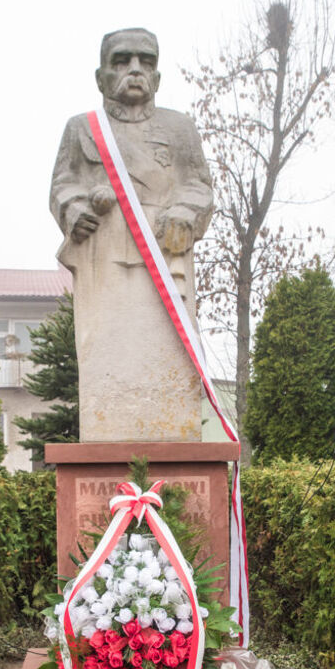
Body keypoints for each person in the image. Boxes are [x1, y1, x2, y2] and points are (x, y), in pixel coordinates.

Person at [50, 28, 213, 442]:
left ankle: (169, 429)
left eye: (146, 61)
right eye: (122, 60)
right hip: (104, 256)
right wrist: (75, 208)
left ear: (157, 77)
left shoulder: (180, 129)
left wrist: (183, 213)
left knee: (165, 347)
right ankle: (110, 428)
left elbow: (199, 186)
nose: (135, 70)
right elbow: (62, 185)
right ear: (101, 75)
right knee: (109, 347)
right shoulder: (82, 129)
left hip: (165, 254)